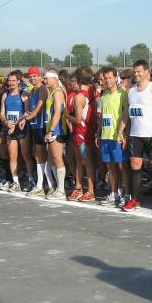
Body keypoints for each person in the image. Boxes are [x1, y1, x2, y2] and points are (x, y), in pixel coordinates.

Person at [123, 60, 152, 212]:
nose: (136, 74)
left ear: (147, 72)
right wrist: (121, 131)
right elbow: (126, 113)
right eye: (135, 71)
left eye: (139, 71)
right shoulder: (131, 90)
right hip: (135, 134)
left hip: (151, 134)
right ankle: (134, 199)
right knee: (135, 164)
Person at [96, 67, 129, 206]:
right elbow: (101, 117)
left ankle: (126, 194)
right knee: (110, 167)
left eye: (110, 77)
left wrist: (124, 134)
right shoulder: (103, 96)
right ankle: (114, 193)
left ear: (116, 78)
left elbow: (126, 115)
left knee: (121, 167)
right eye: (105, 78)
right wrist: (98, 133)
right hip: (105, 136)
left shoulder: (123, 94)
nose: (108, 80)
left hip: (118, 137)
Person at [66, 66, 97, 202]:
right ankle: (78, 188)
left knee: (86, 161)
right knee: (80, 160)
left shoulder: (79, 96)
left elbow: (78, 120)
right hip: (87, 130)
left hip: (82, 131)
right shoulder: (92, 90)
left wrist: (65, 115)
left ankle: (90, 191)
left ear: (78, 79)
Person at [0, 71, 31, 192]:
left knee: (26, 155)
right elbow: (2, 113)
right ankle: (15, 181)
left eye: (13, 80)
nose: (11, 83)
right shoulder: (5, 95)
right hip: (10, 127)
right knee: (12, 156)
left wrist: (16, 124)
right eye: (9, 80)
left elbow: (27, 112)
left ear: (18, 81)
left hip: (21, 128)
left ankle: (31, 179)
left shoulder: (24, 94)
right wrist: (6, 121)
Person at [24, 67, 52, 195]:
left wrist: (28, 117)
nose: (32, 78)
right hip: (35, 125)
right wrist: (27, 114)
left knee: (42, 154)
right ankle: (45, 184)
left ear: (40, 76)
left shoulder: (42, 89)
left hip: (41, 126)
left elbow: (40, 106)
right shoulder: (32, 90)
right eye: (30, 76)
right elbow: (31, 108)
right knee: (38, 155)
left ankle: (44, 185)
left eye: (35, 76)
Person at [43, 71, 68, 199]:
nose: (45, 81)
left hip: (57, 129)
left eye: (47, 78)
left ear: (55, 79)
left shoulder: (58, 92)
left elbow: (58, 112)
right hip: (52, 128)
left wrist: (51, 130)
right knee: (52, 158)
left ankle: (61, 190)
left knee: (57, 158)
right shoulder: (52, 91)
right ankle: (58, 186)